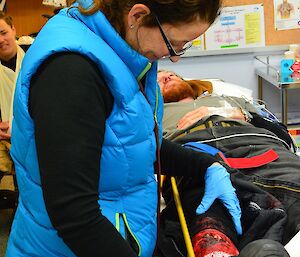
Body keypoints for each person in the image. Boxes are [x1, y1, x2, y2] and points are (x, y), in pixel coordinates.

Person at [5, 1, 243, 257]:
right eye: (174, 43)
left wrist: (206, 166)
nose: (174, 56)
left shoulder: (118, 50)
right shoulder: (71, 72)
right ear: (138, 16)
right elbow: (74, 215)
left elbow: (129, 145)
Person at [157, 70, 295, 257]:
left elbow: (284, 138)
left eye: (172, 74)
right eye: (159, 79)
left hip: (258, 144)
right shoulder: (152, 113)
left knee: (294, 185)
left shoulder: (233, 101)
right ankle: (219, 247)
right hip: (193, 152)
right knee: (207, 207)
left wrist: (239, 114)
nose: (167, 77)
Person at [0, 12, 25, 194]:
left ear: (13, 30)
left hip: (32, 134)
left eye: (3, 32)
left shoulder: (35, 59)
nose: (0, 40)